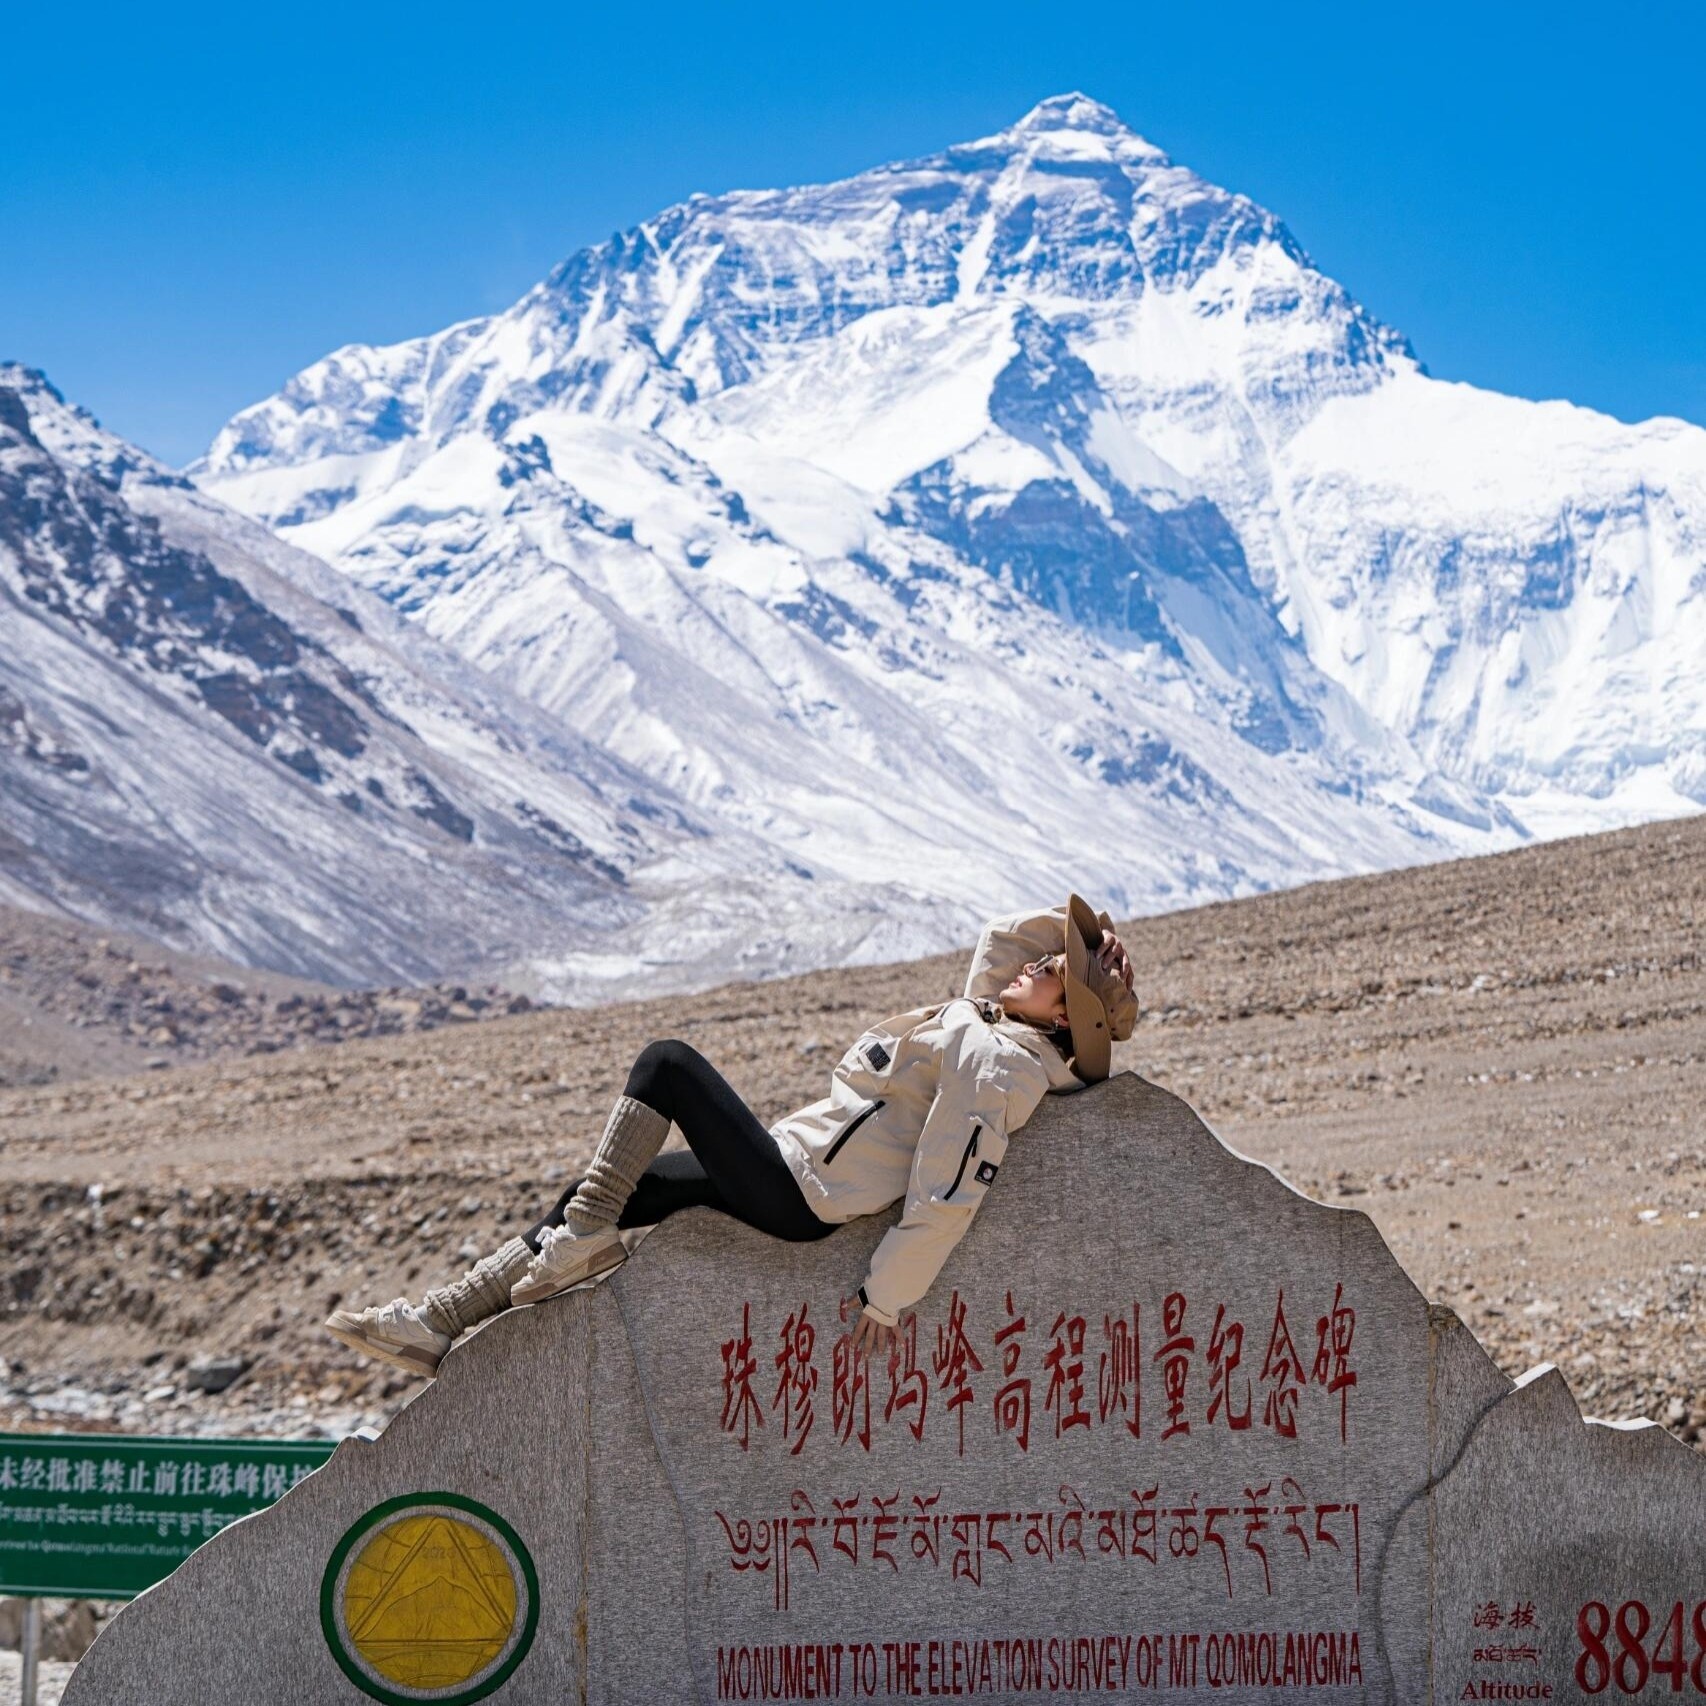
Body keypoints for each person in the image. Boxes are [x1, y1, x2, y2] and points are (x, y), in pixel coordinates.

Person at [325, 896, 1138, 1376]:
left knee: (668, 1065)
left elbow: (950, 1186)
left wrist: (888, 1297)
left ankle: (577, 1244)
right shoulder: (991, 1024)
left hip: (803, 1194)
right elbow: (999, 944)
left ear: (1067, 1017)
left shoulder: (998, 1063)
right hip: (793, 1167)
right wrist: (1081, 948)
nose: (1032, 964)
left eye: (1052, 970)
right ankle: (439, 1321)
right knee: (615, 1191)